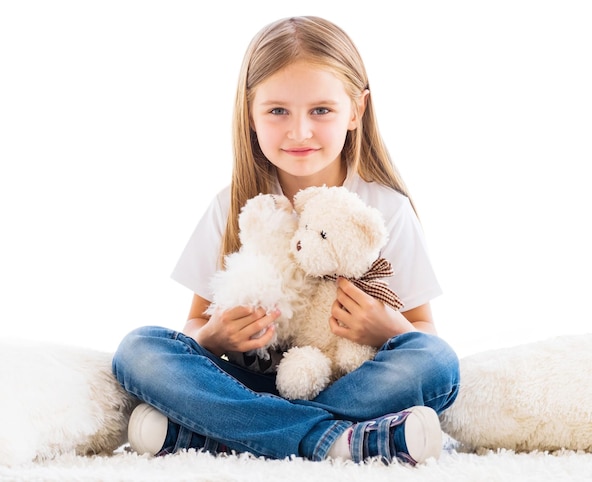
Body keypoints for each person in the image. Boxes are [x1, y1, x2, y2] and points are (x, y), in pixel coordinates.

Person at [112, 15, 460, 465]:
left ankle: (223, 437)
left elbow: (423, 334)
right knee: (139, 351)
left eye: (321, 110)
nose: (299, 132)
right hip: (245, 384)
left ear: (356, 111)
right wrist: (216, 336)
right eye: (278, 111)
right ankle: (336, 440)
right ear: (251, 115)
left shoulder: (384, 210)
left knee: (438, 362)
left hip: (349, 384)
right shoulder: (232, 205)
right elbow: (194, 327)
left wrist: (386, 328)